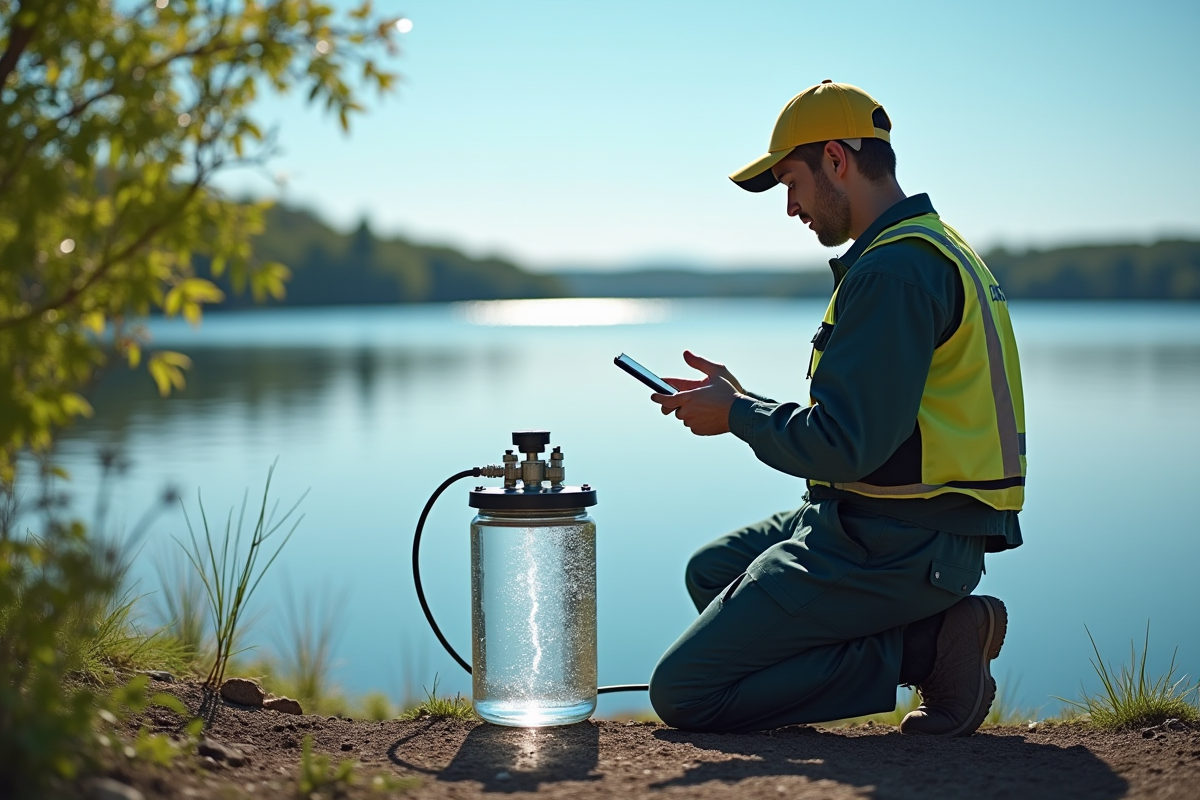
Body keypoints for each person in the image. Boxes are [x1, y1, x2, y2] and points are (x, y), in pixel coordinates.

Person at [647, 80, 1026, 736]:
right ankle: (929, 639)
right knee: (712, 572)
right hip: (903, 524)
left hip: (903, 540)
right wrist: (742, 401)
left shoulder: (892, 272)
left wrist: (736, 417)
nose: (790, 207)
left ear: (836, 160)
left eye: (790, 182)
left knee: (684, 693)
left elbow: (847, 445)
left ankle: (932, 649)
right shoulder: (927, 248)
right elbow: (866, 425)